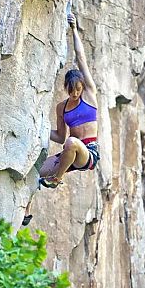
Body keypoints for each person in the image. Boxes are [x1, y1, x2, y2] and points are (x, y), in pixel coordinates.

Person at [39, 13, 100, 189]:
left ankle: (56, 179)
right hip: (69, 153)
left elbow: (81, 58)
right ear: (66, 88)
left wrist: (74, 30)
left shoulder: (89, 95)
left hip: (88, 153)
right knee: (35, 170)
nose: (75, 94)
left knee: (72, 143)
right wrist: (40, 129)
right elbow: (59, 137)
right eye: (71, 90)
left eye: (78, 90)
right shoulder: (62, 108)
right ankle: (26, 214)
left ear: (82, 87)